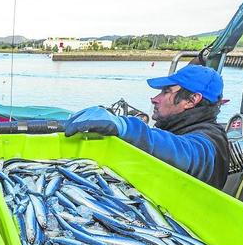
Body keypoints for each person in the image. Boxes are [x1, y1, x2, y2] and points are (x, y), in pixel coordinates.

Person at [64, 65, 229, 189]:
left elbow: (187, 154)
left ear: (191, 100)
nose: (154, 99)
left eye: (166, 92)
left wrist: (128, 127)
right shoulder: (178, 127)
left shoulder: (210, 140)